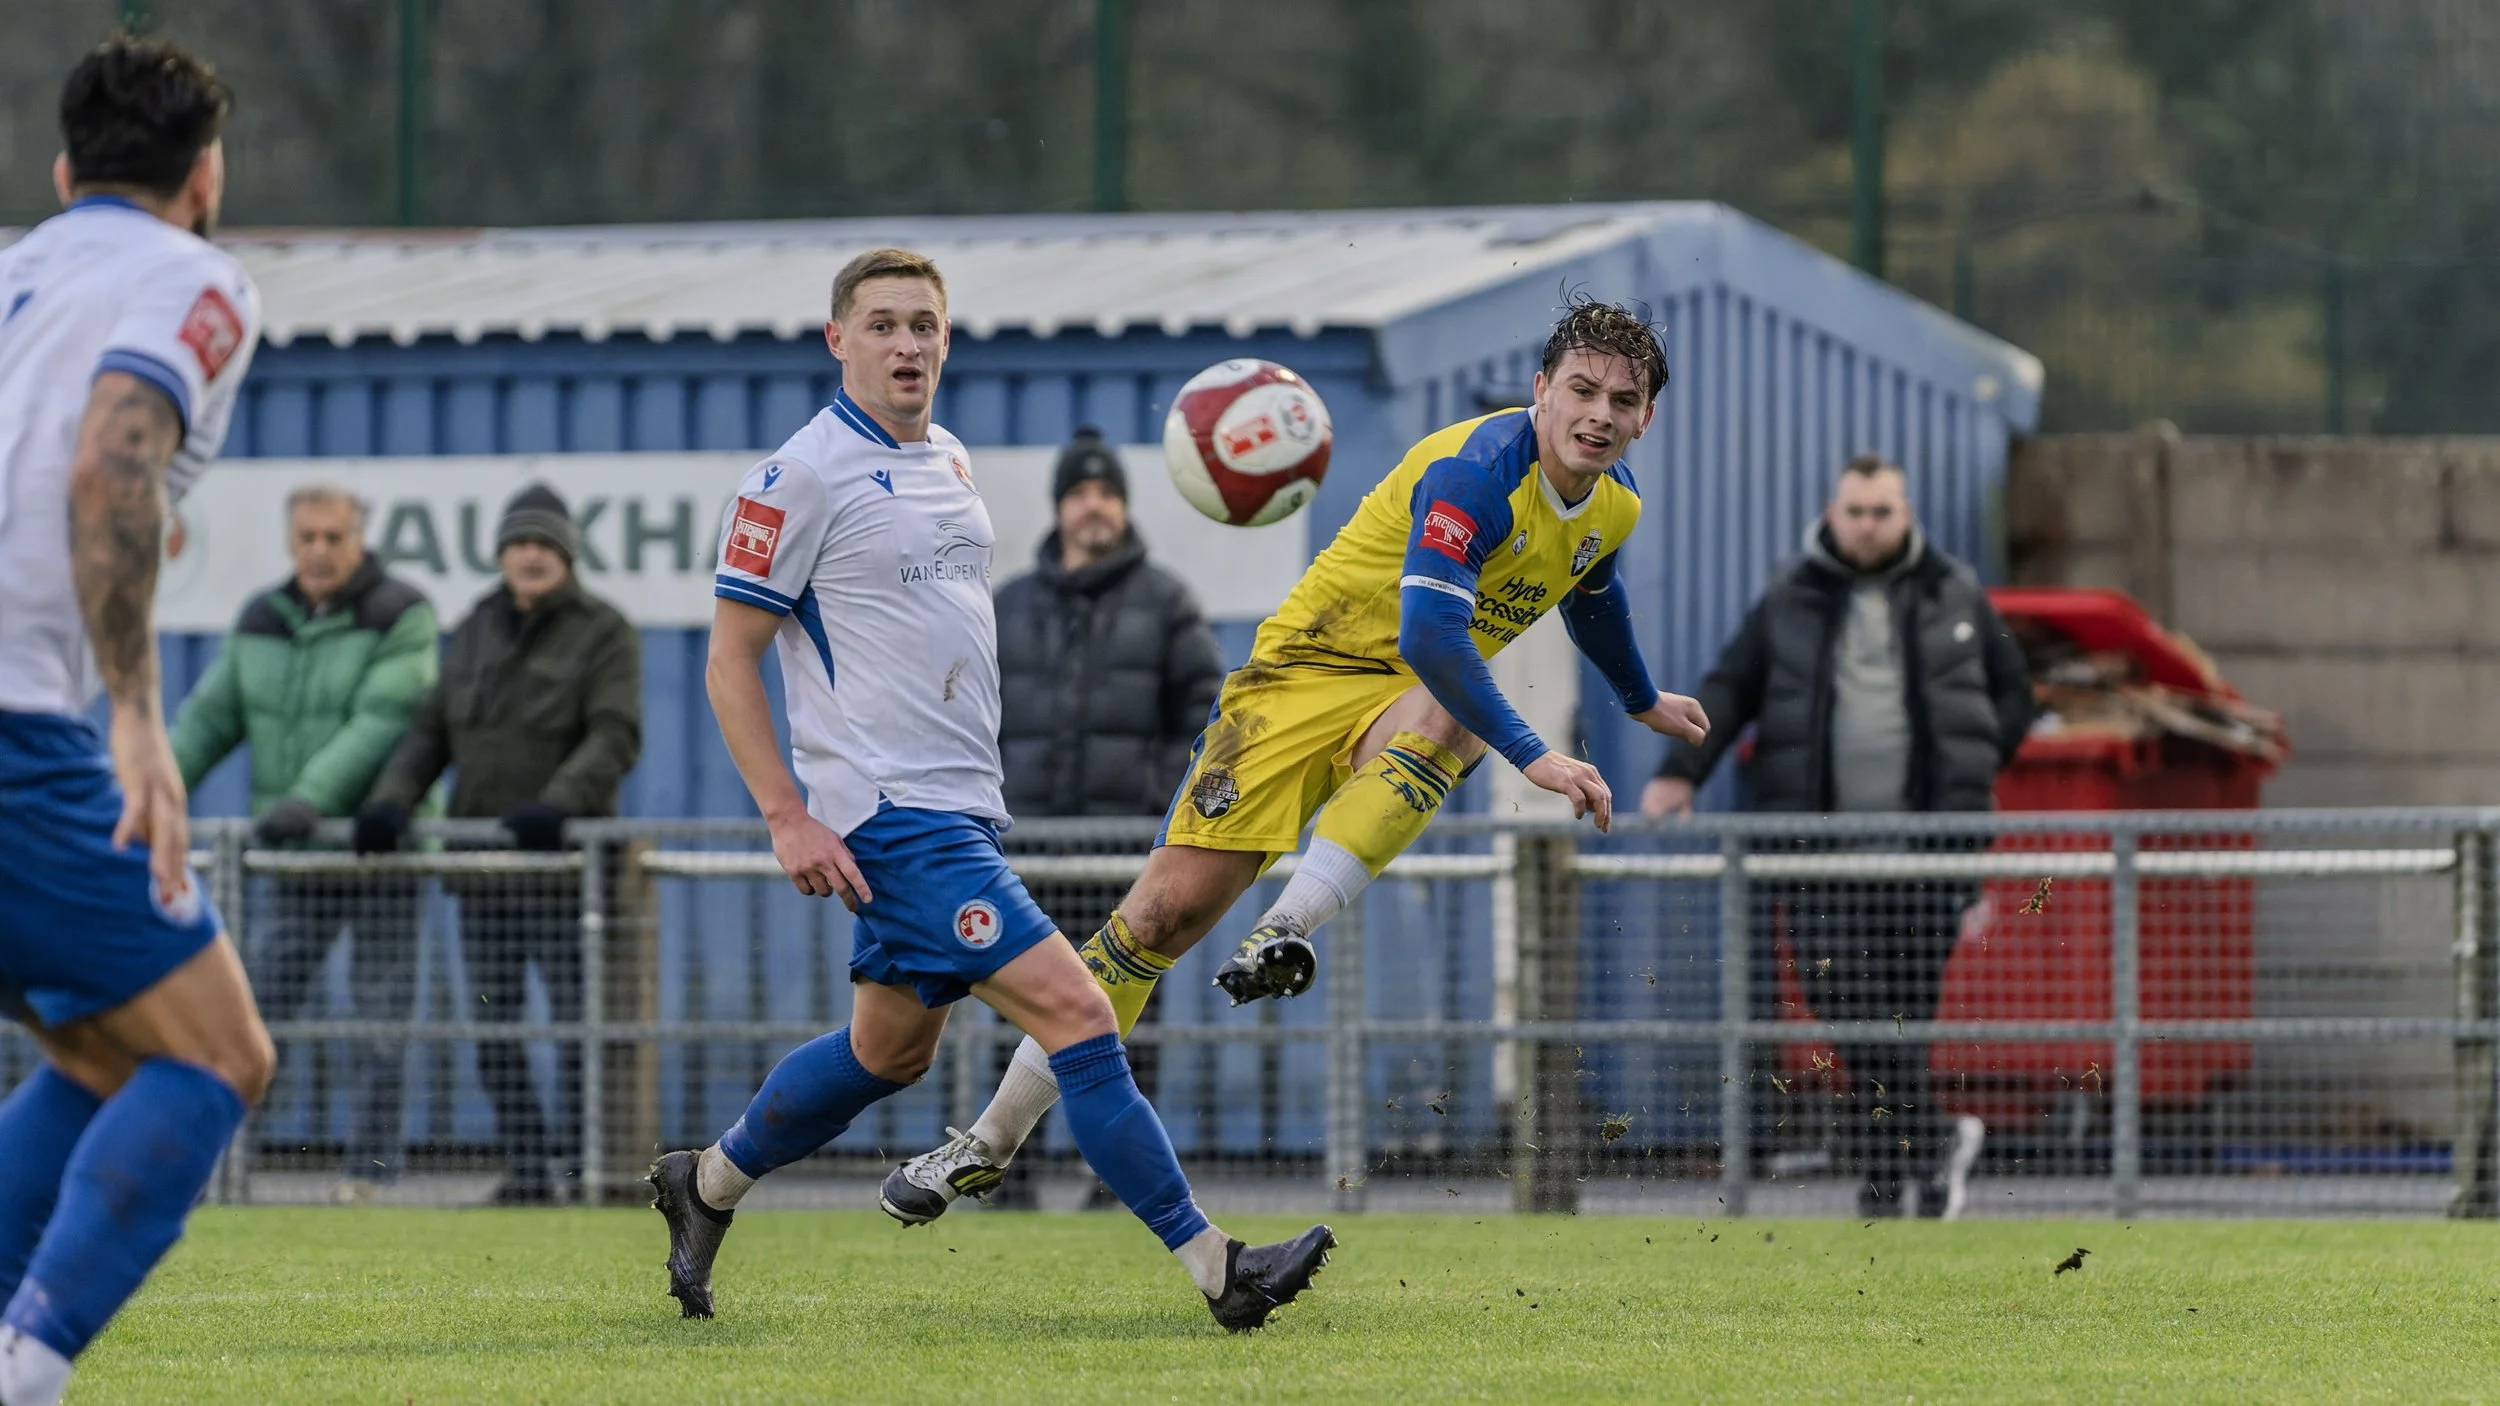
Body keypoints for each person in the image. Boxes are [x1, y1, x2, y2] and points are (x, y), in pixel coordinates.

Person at [882, 298, 1711, 1224]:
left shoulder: (1615, 504)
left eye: (1623, 400)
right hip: (1295, 682)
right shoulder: (1475, 472)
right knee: (1153, 923)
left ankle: (1284, 928)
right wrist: (1538, 758)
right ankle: (988, 1141)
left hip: (1403, 696)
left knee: (1453, 715)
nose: (1599, 414)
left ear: (1647, 416)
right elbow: (1434, 636)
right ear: (1541, 389)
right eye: (1582, 390)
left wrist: (1641, 698)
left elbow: (1591, 589)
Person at [643, 248, 1332, 1332]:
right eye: (881, 324)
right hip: (895, 818)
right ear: (837, 340)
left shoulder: (950, 457)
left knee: (888, 1052)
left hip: (957, 808)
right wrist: (786, 814)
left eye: (923, 324)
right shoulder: (797, 477)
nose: (906, 344)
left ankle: (709, 1182)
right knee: (1079, 1012)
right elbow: (730, 659)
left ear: (947, 338)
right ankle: (1220, 1267)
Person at [0, 38, 276, 1406]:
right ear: (204, 177)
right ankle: (30, 1367)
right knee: (219, 1053)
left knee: (106, 1050)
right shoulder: (194, 278)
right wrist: (133, 711)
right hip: (21, 725)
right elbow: (114, 455)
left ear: (65, 174)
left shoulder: (14, 277)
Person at [1639, 455, 2033, 1219]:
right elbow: (1730, 686)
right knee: (1845, 1002)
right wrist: (1679, 772)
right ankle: (1934, 1141)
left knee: (1904, 1014)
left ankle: (1886, 1185)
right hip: (1818, 855)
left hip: (1926, 855)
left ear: (1906, 514)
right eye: (1856, 512)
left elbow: (2012, 691)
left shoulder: (1954, 591)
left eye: (1882, 512)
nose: (1868, 526)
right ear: (1832, 513)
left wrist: (1975, 763)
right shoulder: (1790, 597)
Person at [354, 484, 642, 1205]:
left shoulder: (605, 631)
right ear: (502, 554)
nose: (530, 555)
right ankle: (528, 1173)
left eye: (544, 544)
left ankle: (584, 1174)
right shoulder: (476, 626)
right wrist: (391, 800)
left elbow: (615, 734)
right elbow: (430, 731)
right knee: (494, 1030)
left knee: (580, 1032)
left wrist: (558, 807)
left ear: (567, 555)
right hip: (482, 875)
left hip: (569, 877)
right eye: (518, 543)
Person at [171, 485, 436, 1201]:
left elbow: (382, 720)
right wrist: (144, 796)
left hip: (379, 852)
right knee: (256, 1011)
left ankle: (368, 1176)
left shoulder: (402, 613)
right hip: (296, 854)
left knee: (380, 1022)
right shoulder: (262, 617)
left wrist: (309, 799)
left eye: (333, 537)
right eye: (308, 537)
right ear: (291, 543)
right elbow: (206, 721)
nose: (320, 550)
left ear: (359, 541)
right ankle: (223, 1168)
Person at [989, 427, 1224, 1207]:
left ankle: (1114, 1183)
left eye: (1107, 494)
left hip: (1126, 862)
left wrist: (1156, 802)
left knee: (1124, 1023)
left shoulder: (1167, 603)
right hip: (1028, 859)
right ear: (1060, 507)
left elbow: (1208, 720)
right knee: (1017, 1014)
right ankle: (1008, 1176)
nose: (1094, 507)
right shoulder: (1009, 607)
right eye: (1081, 493)